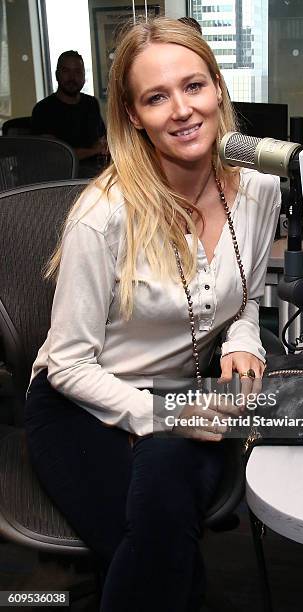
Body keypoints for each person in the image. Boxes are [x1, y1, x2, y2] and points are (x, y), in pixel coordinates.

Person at [24, 17, 281, 612]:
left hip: (183, 396)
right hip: (77, 401)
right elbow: (66, 365)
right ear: (134, 116)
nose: (182, 110)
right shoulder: (103, 215)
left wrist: (247, 340)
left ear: (218, 87)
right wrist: (154, 414)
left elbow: (243, 300)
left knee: (160, 522)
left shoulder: (260, 192)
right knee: (166, 555)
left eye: (193, 86)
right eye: (156, 97)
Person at [31, 50, 108, 177]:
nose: (72, 78)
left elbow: (102, 141)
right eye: (66, 71)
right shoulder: (43, 109)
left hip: (94, 176)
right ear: (57, 75)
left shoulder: (91, 103)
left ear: (84, 75)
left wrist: (98, 149)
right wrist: (94, 150)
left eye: (78, 72)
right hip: (60, 179)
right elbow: (55, 156)